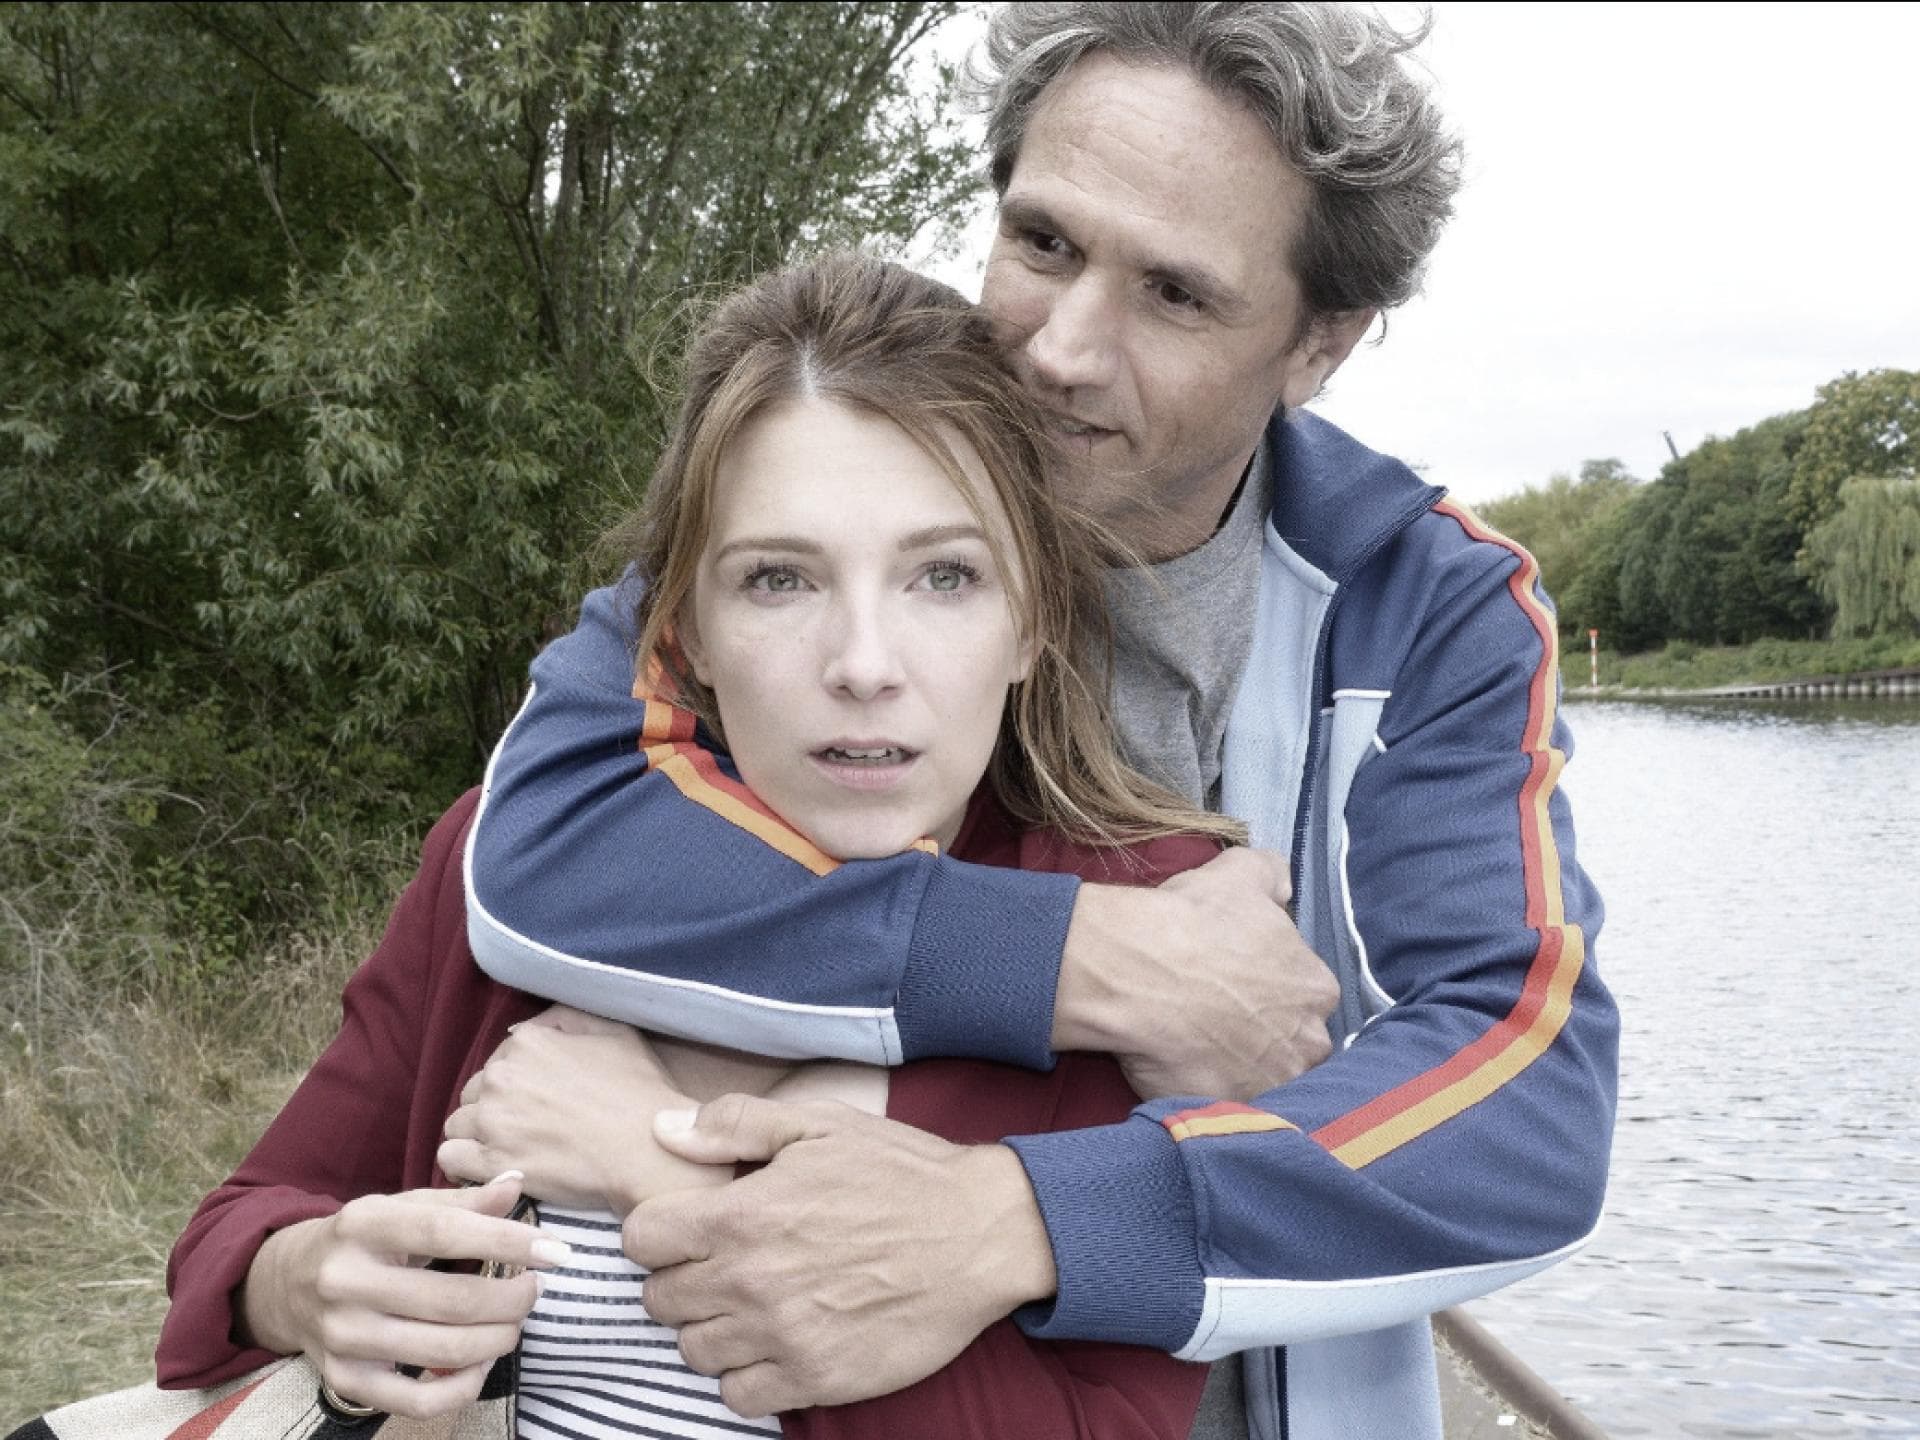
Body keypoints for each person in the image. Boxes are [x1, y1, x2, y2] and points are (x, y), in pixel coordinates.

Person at [455, 6, 1619, 1440]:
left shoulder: (1429, 610)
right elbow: (547, 843)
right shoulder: (808, 499)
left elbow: (1527, 1109)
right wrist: (1101, 966)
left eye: (1174, 295)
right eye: (1045, 243)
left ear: (1318, 343)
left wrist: (1017, 1220)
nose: (1063, 349)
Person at [156, 253, 1263, 1440]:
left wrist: (662, 1175)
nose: (864, 664)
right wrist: (309, 1277)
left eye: (944, 576)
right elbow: (237, 1235)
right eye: (780, 580)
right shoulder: (525, 871)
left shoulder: (1147, 943)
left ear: (1030, 619)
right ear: (685, 628)